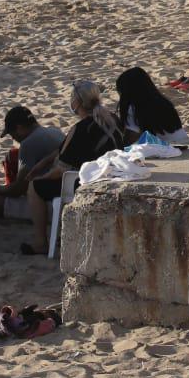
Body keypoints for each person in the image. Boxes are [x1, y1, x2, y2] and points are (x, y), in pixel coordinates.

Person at [21, 81, 124, 255]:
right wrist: (42, 163)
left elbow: (60, 170)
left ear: (76, 103)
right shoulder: (112, 120)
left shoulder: (80, 129)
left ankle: (41, 242)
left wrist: (40, 178)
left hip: (82, 183)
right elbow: (61, 149)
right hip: (111, 178)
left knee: (35, 188)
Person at [0, 106, 66, 216]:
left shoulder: (28, 144)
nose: (13, 139)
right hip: (66, 191)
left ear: (19, 128)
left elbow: (19, 188)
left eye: (12, 134)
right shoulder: (55, 131)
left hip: (54, 203)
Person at [116, 66, 186, 140]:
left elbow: (130, 139)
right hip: (184, 143)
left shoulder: (134, 108)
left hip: (167, 148)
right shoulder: (162, 101)